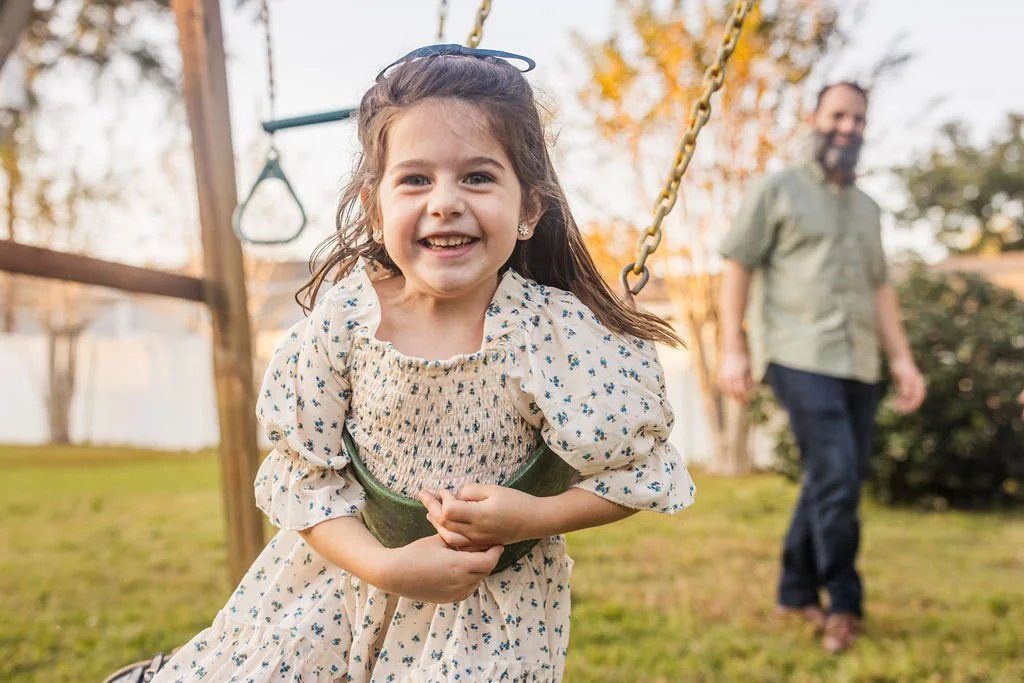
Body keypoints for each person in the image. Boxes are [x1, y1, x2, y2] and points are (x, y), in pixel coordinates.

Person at [152, 44, 695, 682]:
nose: (445, 201)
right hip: (339, 586)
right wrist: (384, 566)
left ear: (528, 210)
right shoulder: (344, 322)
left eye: (478, 177)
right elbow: (305, 482)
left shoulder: (554, 333)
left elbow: (641, 475)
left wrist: (536, 516)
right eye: (415, 179)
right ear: (375, 208)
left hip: (487, 614)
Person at [717, 81, 926, 654]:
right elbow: (737, 266)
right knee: (836, 475)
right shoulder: (777, 190)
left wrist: (903, 361)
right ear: (814, 117)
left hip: (860, 360)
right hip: (797, 353)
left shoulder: (868, 209)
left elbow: (881, 289)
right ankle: (845, 604)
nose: (847, 127)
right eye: (838, 115)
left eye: (858, 118)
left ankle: (793, 589)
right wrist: (733, 349)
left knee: (833, 480)